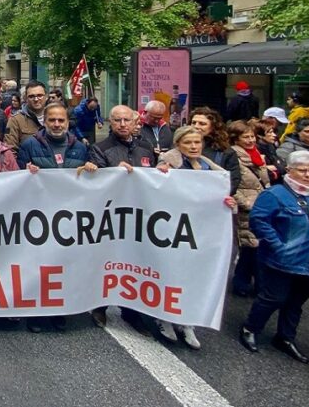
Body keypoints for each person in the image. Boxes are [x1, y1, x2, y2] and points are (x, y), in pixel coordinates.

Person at [240, 150, 309, 362]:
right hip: (279, 261)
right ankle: (250, 329)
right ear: (289, 171)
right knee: (272, 298)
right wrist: (279, 247)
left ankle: (285, 337)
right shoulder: (274, 195)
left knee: (295, 303)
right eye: (302, 170)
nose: (308, 175)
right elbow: (259, 222)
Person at [156, 126, 237, 349]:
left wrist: (230, 204)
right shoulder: (166, 165)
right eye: (188, 143)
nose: (193, 147)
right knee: (171, 273)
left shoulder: (210, 168)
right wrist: (159, 176)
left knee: (194, 276)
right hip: (172, 230)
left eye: (197, 142)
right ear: (178, 144)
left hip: (200, 231)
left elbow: (220, 199)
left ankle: (187, 321)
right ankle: (164, 319)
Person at [18, 103, 91, 333]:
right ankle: (36, 314)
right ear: (45, 122)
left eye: (61, 120)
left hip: (67, 218)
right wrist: (24, 172)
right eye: (52, 120)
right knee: (36, 267)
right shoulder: (29, 145)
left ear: (67, 123)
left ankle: (60, 310)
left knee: (63, 266)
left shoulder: (79, 148)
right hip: (37, 217)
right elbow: (14, 180)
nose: (57, 124)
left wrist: (92, 170)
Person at [86, 106, 157, 331]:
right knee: (106, 261)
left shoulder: (146, 149)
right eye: (117, 120)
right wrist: (113, 172)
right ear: (111, 122)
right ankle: (100, 306)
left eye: (127, 120)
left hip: (139, 214)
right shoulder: (100, 148)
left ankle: (132, 311)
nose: (123, 124)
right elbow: (96, 180)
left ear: (135, 122)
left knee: (135, 262)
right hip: (111, 214)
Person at [227, 120, 270, 298]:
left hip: (262, 205)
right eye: (246, 137)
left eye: (252, 136)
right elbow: (232, 185)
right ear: (236, 139)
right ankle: (242, 283)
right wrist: (246, 203)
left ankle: (251, 282)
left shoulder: (256, 155)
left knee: (256, 247)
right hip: (248, 208)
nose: (251, 140)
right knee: (250, 248)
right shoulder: (234, 156)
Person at [189, 107, 241, 194]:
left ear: (213, 127)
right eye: (193, 123)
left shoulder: (225, 152)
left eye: (202, 124)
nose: (196, 126)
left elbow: (233, 181)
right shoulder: (178, 147)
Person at [4, 80, 47, 155]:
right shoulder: (16, 120)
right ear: (26, 98)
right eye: (31, 96)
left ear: (46, 96)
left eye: (40, 95)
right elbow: (10, 150)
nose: (36, 99)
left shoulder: (56, 117)